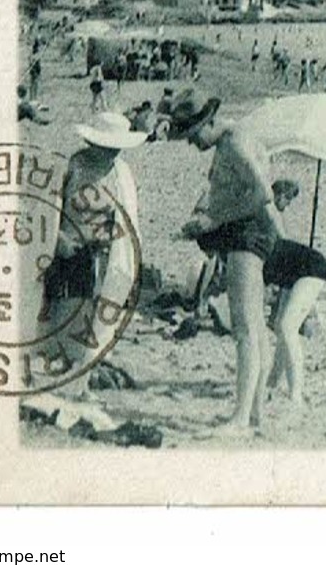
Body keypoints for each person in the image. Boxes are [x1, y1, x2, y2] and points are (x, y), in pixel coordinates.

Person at [168, 90, 277, 436]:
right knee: (256, 326)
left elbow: (264, 195)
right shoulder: (233, 139)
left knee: (244, 328)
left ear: (211, 121)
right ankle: (256, 412)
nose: (192, 143)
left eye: (194, 134)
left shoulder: (235, 144)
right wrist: (209, 217)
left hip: (248, 233)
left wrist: (215, 220)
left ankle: (241, 418)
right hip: (246, 231)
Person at [42, 112, 146, 396]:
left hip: (107, 252)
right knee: (70, 310)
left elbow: (127, 214)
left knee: (99, 313)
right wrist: (58, 238)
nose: (113, 151)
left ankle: (82, 379)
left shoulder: (120, 171)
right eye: (108, 145)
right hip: (73, 250)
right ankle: (67, 375)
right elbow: (51, 206)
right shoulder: (75, 165)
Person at [260, 180, 326, 406]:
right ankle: (273, 380)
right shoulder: (262, 243)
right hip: (295, 273)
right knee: (282, 323)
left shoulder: (254, 256)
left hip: (312, 269)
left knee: (287, 327)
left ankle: (296, 395)